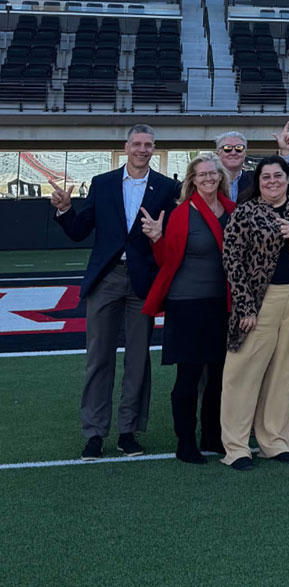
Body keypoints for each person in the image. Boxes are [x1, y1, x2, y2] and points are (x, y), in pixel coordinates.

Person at [48, 124, 180, 460]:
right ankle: (94, 433)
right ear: (126, 146)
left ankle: (128, 431)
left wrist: (160, 235)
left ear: (154, 148)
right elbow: (80, 231)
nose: (142, 149)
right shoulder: (102, 183)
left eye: (148, 144)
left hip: (143, 283)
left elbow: (173, 238)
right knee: (99, 359)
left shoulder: (167, 187)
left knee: (138, 360)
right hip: (106, 279)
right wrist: (65, 210)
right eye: (136, 143)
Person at [220, 156, 289, 470]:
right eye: (266, 176)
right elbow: (232, 260)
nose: (272, 181)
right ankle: (236, 447)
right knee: (243, 373)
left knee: (284, 375)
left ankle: (275, 442)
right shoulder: (246, 211)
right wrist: (245, 305)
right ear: (258, 181)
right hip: (259, 301)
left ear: (288, 178)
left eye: (278, 175)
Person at [140, 154, 236, 464]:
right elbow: (167, 259)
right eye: (201, 174)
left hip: (222, 304)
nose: (208, 178)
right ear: (192, 180)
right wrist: (156, 238)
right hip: (187, 305)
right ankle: (186, 442)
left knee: (220, 374)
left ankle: (212, 434)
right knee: (190, 376)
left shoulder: (232, 211)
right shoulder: (182, 213)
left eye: (212, 173)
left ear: (221, 177)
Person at [216, 122, 289, 202]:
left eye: (239, 148)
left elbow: (288, 188)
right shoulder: (208, 179)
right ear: (218, 153)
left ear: (245, 153)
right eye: (227, 148)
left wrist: (285, 151)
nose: (233, 153)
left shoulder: (257, 179)